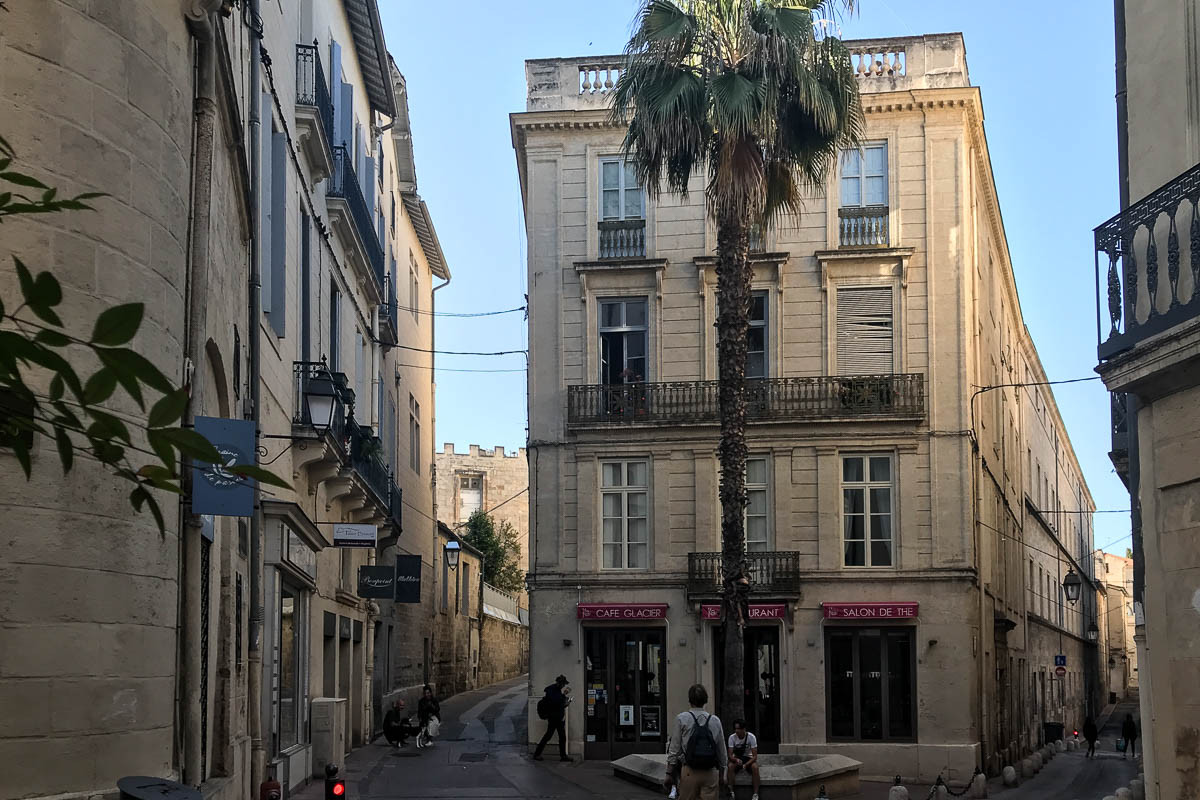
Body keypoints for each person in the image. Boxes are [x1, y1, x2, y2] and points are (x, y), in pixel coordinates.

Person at [665, 684, 727, 800]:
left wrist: (669, 774)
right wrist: (722, 774)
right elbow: (721, 751)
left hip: (689, 770)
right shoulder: (715, 720)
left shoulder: (682, 718)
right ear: (705, 700)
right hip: (710, 771)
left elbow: (674, 749)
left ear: (690, 700)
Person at [533, 674, 571, 761]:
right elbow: (555, 703)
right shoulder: (552, 690)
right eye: (563, 684)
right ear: (560, 683)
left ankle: (563, 756)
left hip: (557, 717)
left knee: (557, 736)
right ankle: (537, 754)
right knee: (551, 736)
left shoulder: (555, 690)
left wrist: (565, 703)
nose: (564, 686)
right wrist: (563, 696)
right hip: (554, 717)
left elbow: (558, 703)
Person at [725, 719, 760, 800]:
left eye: (739, 729)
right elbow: (730, 755)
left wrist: (746, 764)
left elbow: (755, 756)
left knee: (755, 767)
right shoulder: (732, 737)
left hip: (749, 758)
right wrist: (735, 760)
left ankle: (755, 794)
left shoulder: (751, 737)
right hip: (737, 758)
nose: (737, 731)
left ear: (744, 729)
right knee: (730, 766)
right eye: (735, 728)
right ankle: (731, 792)